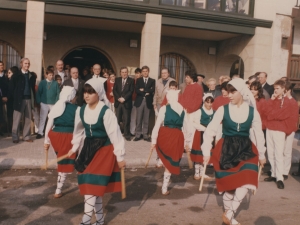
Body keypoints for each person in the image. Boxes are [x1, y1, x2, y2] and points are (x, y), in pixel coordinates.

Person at [201, 78, 266, 225]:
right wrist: (206, 151)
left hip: (246, 149)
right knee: (229, 187)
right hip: (227, 149)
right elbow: (210, 130)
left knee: (247, 179)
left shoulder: (252, 112)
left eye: (232, 92)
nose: (228, 95)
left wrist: (261, 154)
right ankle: (229, 218)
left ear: (241, 92)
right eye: (228, 92)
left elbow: (258, 134)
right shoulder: (223, 110)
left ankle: (230, 213)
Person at [68, 78, 125, 225]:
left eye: (90, 92)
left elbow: (115, 134)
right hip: (88, 149)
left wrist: (120, 155)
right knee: (93, 187)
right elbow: (78, 131)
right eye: (85, 92)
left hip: (104, 150)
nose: (86, 95)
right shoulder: (81, 110)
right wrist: (74, 148)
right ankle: (99, 221)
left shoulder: (106, 112)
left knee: (91, 185)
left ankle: (85, 220)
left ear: (98, 93)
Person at [151, 89, 191, 195]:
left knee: (165, 154)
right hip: (178, 136)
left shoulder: (164, 108)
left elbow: (158, 123)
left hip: (166, 134)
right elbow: (186, 127)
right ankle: (164, 187)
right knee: (170, 162)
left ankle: (161, 160)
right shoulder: (182, 109)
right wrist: (187, 142)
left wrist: (153, 140)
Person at [44, 86, 78, 198]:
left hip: (55, 136)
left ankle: (58, 189)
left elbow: (49, 124)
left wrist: (46, 140)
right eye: (74, 95)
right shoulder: (76, 108)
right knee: (71, 162)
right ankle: (60, 190)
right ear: (71, 96)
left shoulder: (56, 106)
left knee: (61, 160)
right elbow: (79, 126)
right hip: (68, 136)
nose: (75, 98)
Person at [264, 79, 292, 189]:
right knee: (270, 152)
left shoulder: (287, 101)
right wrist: (271, 101)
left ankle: (280, 177)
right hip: (270, 128)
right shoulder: (273, 99)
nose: (275, 90)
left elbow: (283, 115)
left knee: (279, 153)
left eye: (277, 88)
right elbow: (266, 112)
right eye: (274, 88)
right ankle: (274, 173)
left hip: (280, 129)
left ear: (283, 89)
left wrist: (272, 115)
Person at [9, 58, 37, 143]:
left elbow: (32, 88)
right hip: (19, 100)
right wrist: (15, 98)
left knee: (28, 119)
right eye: (25, 63)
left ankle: (26, 136)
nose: (27, 65)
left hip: (28, 99)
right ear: (21, 64)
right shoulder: (16, 75)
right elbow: (11, 88)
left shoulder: (31, 76)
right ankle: (15, 137)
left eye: (28, 63)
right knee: (17, 119)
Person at [190, 93, 215, 181]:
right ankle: (197, 172)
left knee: (206, 153)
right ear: (204, 102)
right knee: (199, 154)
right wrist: (204, 128)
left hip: (209, 135)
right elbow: (195, 123)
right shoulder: (200, 111)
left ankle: (203, 172)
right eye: (207, 102)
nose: (209, 104)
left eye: (211, 102)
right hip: (200, 133)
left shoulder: (214, 112)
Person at [36, 69, 60, 139]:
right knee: (43, 118)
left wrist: (56, 102)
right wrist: (39, 101)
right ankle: (40, 132)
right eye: (50, 75)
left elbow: (58, 93)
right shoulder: (42, 83)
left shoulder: (55, 83)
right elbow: (38, 92)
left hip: (53, 103)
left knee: (53, 118)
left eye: (52, 75)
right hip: (44, 103)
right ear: (46, 75)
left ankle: (53, 132)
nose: (51, 76)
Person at [133, 66, 155, 142]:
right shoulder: (138, 80)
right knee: (138, 119)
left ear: (148, 72)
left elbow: (152, 90)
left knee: (146, 119)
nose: (145, 72)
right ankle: (138, 135)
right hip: (140, 101)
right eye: (144, 71)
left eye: (146, 71)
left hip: (148, 101)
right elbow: (137, 90)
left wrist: (143, 90)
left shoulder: (152, 80)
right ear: (142, 72)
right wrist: (146, 92)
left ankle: (145, 135)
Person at [282, 81, 298, 180]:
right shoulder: (282, 100)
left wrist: (289, 129)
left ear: (288, 91)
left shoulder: (292, 102)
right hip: (281, 128)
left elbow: (294, 118)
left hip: (289, 128)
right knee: (280, 150)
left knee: (287, 151)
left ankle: (285, 171)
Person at [113, 67, 134, 141]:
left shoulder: (131, 80)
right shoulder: (117, 79)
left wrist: (124, 98)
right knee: (117, 119)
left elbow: (131, 91)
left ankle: (127, 135)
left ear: (127, 72)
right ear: (120, 73)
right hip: (118, 103)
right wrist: (118, 98)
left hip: (126, 103)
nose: (124, 73)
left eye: (125, 72)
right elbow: (114, 90)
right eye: (123, 72)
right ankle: (117, 134)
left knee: (127, 119)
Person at [5, 66, 18, 134]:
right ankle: (9, 129)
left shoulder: (15, 81)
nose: (8, 74)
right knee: (9, 115)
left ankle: (14, 130)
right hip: (9, 100)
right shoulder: (7, 80)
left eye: (9, 73)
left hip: (14, 100)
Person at [130, 68, 141, 136]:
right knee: (133, 117)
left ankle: (139, 131)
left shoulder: (142, 81)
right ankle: (132, 131)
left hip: (140, 100)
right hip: (133, 100)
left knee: (139, 117)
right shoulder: (133, 81)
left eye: (138, 73)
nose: (137, 75)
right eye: (136, 73)